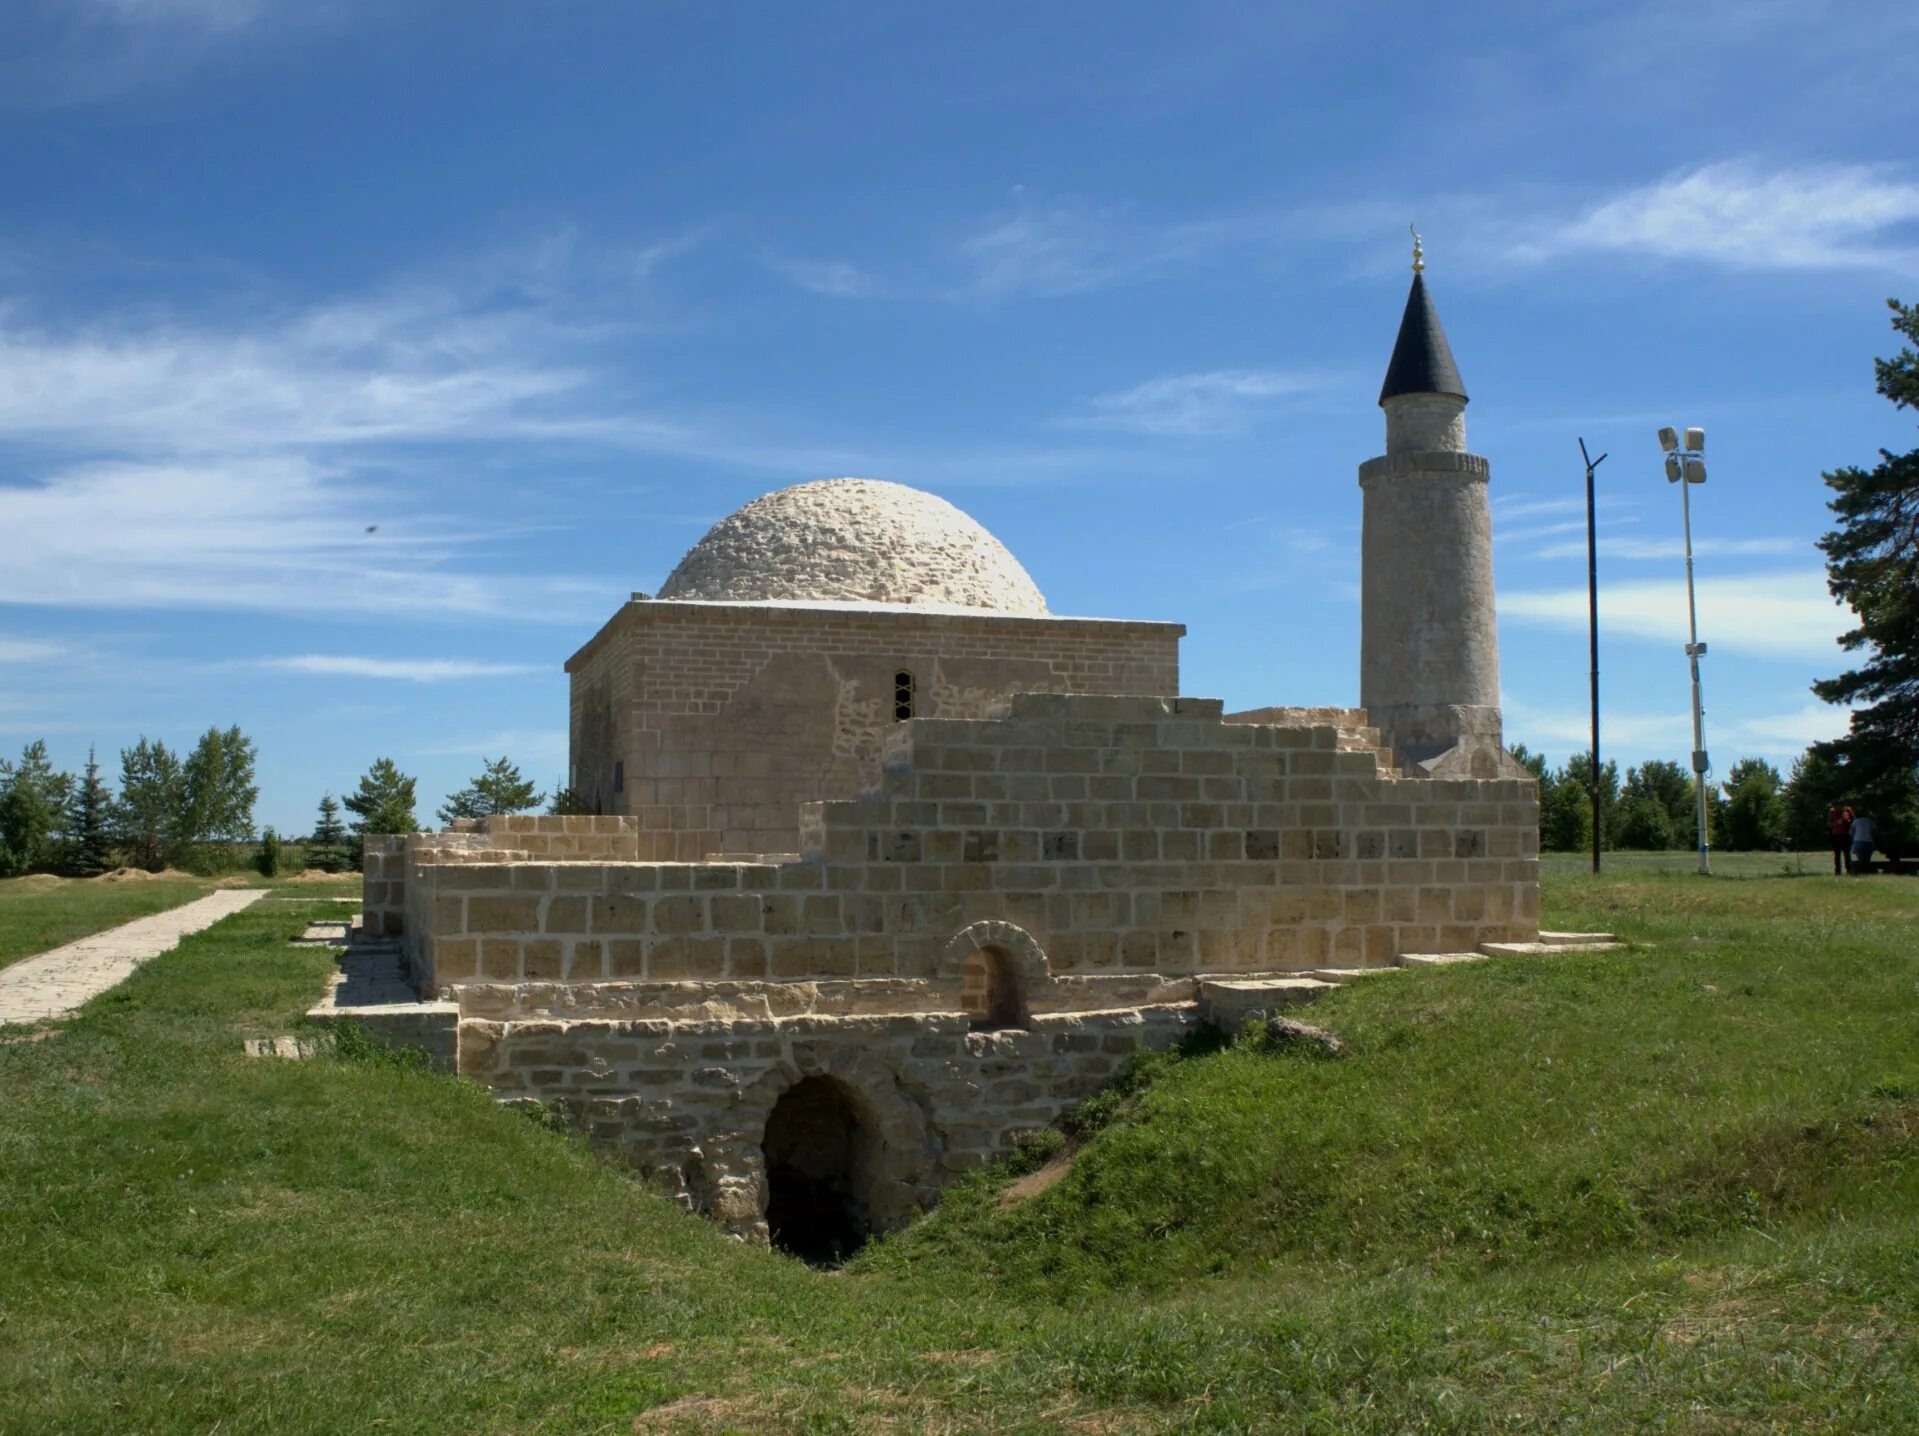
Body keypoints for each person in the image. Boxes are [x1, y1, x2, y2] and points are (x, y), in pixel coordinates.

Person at [1827, 800, 1856, 875]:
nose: (1836, 808)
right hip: (1836, 835)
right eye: (1835, 806)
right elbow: (1829, 823)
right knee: (1837, 854)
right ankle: (1838, 871)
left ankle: (1849, 870)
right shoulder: (1832, 811)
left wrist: (1848, 821)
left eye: (1838, 806)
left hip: (1846, 834)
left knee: (1847, 853)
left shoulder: (1848, 810)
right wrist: (1835, 823)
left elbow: (1854, 821)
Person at [1850, 809, 1877, 875]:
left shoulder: (1856, 821)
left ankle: (1861, 871)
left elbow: (1851, 831)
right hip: (1868, 841)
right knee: (1867, 859)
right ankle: (1866, 871)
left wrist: (1853, 839)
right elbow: (1874, 830)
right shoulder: (1870, 821)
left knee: (1860, 858)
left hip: (1858, 841)